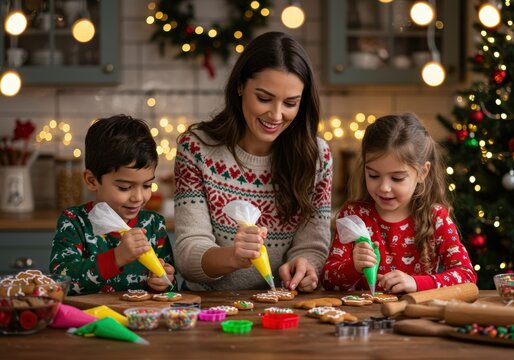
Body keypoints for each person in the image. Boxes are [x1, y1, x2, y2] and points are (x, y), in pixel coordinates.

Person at [173, 31, 332, 292]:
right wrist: (233, 257)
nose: (277, 114)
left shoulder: (317, 157)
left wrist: (305, 267)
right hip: (209, 308)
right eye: (264, 98)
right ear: (239, 86)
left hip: (283, 305)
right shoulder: (197, 148)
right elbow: (188, 253)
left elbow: (312, 246)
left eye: (290, 103)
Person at [321, 113, 477, 293]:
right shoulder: (354, 215)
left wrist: (417, 283)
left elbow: (466, 275)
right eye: (373, 175)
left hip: (418, 315)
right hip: (363, 317)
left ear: (422, 173)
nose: (384, 187)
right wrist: (353, 267)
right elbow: (327, 279)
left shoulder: (436, 218)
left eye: (397, 178)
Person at [49, 115, 175, 295]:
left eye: (147, 185)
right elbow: (60, 284)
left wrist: (165, 281)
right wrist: (116, 258)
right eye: (124, 187)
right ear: (92, 180)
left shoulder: (154, 225)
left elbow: (172, 290)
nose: (138, 197)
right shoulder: (74, 222)